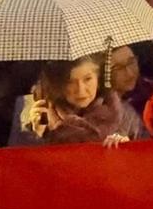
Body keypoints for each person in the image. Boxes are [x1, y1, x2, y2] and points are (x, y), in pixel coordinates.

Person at [11, 55, 145, 145]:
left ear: (98, 79)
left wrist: (127, 150)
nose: (80, 90)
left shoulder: (124, 114)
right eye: (70, 82)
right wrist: (35, 135)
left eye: (87, 79)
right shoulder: (32, 109)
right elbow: (17, 167)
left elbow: (146, 160)